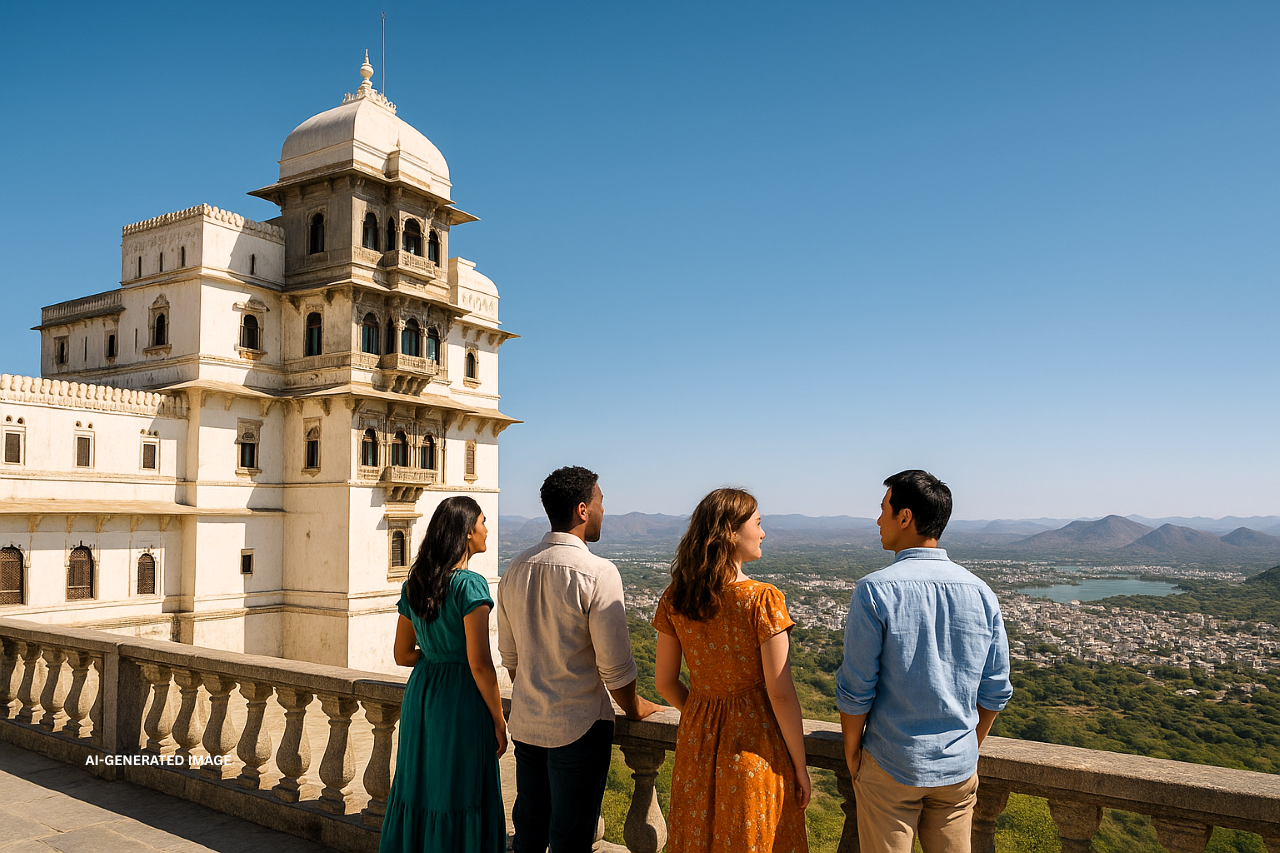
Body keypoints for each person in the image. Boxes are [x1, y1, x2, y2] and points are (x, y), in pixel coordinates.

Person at [836, 470, 1013, 853]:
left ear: (905, 517)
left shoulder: (875, 590)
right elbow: (996, 688)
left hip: (891, 763)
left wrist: (852, 752)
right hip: (957, 769)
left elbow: (856, 688)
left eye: (884, 509)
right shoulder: (982, 592)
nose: (878, 520)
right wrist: (968, 745)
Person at [497, 466, 661, 853]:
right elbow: (616, 670)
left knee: (529, 835)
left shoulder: (514, 569)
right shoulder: (598, 573)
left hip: (528, 724)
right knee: (571, 839)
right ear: (583, 510)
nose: (605, 510)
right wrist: (635, 707)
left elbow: (511, 660)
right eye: (601, 502)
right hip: (579, 727)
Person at [652, 487, 811, 853]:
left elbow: (664, 681)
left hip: (697, 743)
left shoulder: (675, 597)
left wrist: (704, 710)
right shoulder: (762, 599)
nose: (763, 533)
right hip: (756, 746)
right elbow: (781, 693)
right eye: (758, 523)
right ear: (731, 533)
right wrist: (801, 766)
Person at [379, 496, 506, 853]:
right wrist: (499, 720)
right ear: (467, 532)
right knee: (459, 790)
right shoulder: (471, 586)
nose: (487, 529)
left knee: (420, 787)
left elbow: (402, 654)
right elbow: (479, 663)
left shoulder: (415, 583)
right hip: (460, 698)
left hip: (422, 695)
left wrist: (436, 654)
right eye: (482, 522)